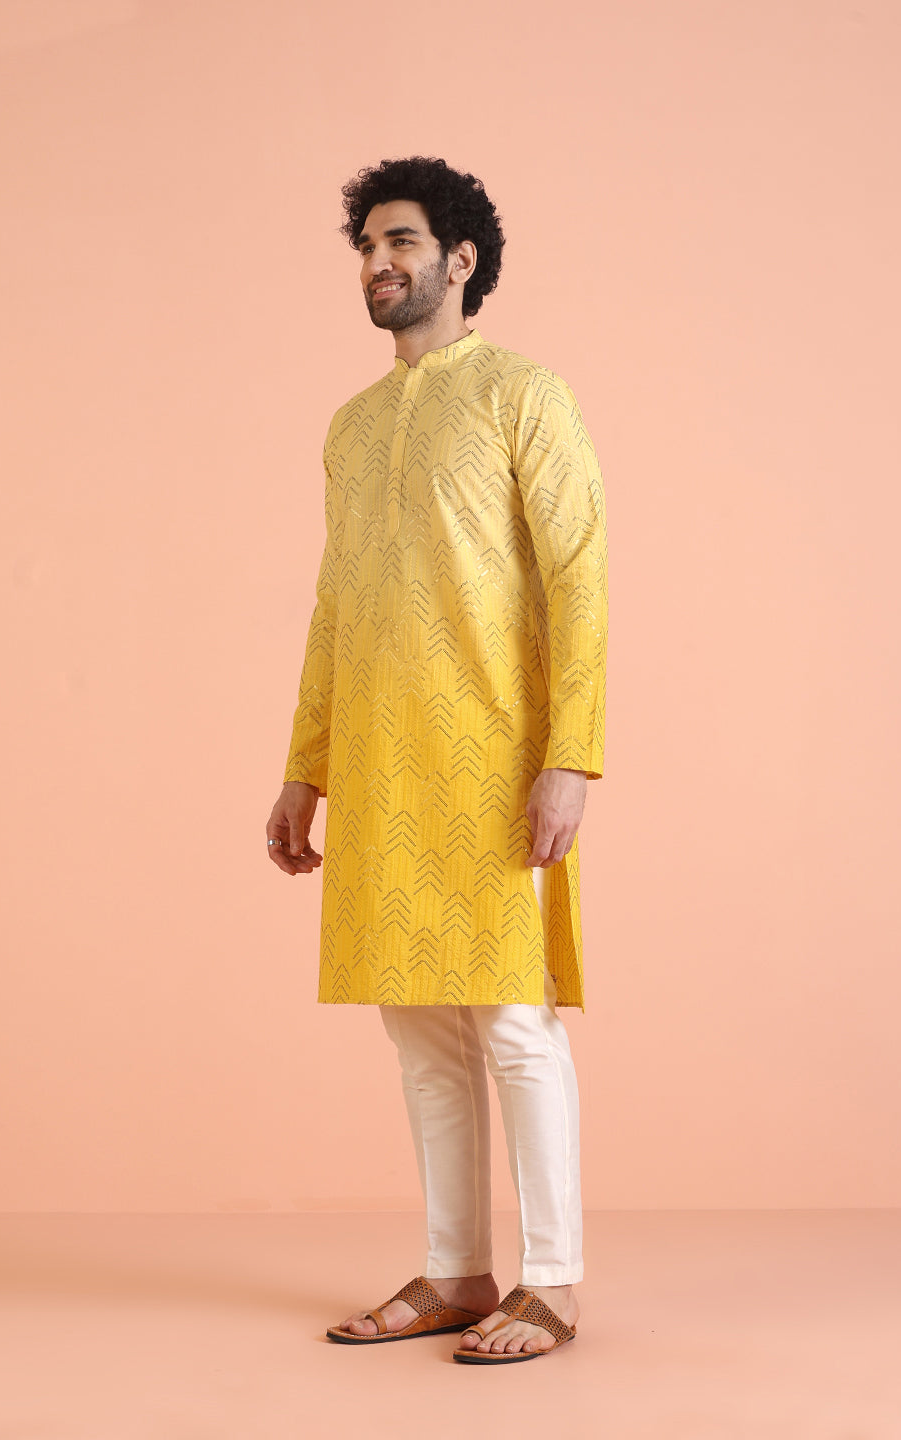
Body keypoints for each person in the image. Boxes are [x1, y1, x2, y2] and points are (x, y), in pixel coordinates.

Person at [266, 156, 608, 1363]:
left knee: (513, 1020)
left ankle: (552, 1283)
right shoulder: (352, 429)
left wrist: (572, 755)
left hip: (494, 756)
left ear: (461, 260)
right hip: (381, 761)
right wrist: (306, 766)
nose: (378, 262)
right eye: (367, 245)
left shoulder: (525, 395)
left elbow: (578, 575)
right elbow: (336, 605)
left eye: (401, 241)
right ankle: (458, 1271)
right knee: (419, 1034)